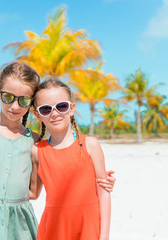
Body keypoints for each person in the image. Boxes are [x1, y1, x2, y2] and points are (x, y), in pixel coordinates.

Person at [0, 62, 115, 240]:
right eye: (8, 97)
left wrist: (102, 184)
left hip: (19, 223)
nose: (15, 106)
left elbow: (33, 192)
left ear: (31, 104)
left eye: (23, 100)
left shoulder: (34, 142)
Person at [31, 78, 111, 240]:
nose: (54, 113)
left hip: (88, 228)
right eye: (46, 109)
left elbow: (104, 193)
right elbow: (32, 193)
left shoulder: (91, 145)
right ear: (38, 115)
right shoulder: (37, 151)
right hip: (54, 229)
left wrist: (104, 235)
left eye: (61, 106)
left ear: (72, 108)